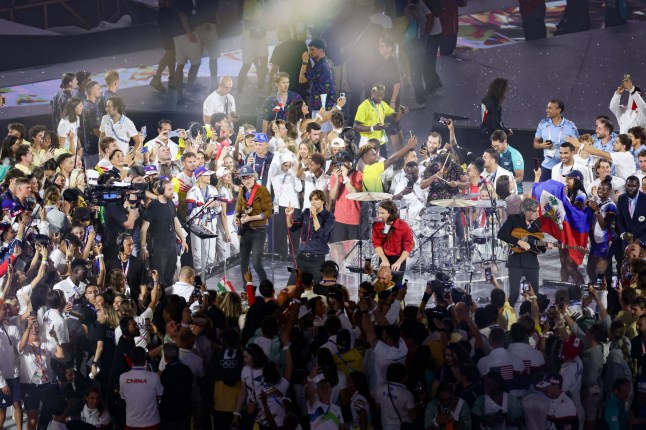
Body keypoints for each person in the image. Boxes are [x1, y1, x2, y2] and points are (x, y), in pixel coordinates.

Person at [497, 198, 553, 306]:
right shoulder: (513, 219)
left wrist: (546, 246)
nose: (538, 214)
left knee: (534, 295)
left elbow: (537, 245)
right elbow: (501, 234)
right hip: (515, 262)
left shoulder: (537, 223)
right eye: (535, 211)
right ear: (527, 211)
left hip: (531, 262)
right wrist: (518, 242)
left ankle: (531, 318)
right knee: (514, 294)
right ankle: (508, 316)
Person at [140, 179, 189, 287]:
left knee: (170, 274)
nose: (172, 192)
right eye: (169, 189)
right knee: (158, 277)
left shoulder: (171, 203)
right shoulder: (153, 205)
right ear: (161, 190)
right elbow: (144, 228)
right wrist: (143, 247)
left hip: (170, 245)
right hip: (158, 246)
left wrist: (183, 239)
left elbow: (175, 221)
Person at [286, 190, 335, 286]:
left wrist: (315, 216)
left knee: (317, 290)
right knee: (291, 286)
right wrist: (288, 216)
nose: (313, 202)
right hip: (301, 258)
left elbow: (322, 235)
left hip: (317, 260)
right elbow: (292, 227)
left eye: (316, 199)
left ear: (323, 201)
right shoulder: (306, 212)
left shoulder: (329, 217)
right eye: (311, 200)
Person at [235, 164, 272, 282]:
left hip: (258, 231)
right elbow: (239, 207)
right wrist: (236, 217)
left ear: (254, 177)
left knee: (256, 262)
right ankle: (247, 290)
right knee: (243, 262)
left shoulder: (262, 190)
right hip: (245, 230)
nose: (247, 181)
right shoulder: (242, 190)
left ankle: (266, 286)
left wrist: (251, 218)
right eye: (244, 178)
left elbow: (268, 212)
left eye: (249, 177)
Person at [353, 84, 409, 156]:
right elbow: (355, 126)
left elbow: (395, 118)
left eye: (382, 95)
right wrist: (373, 128)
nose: (380, 97)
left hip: (381, 142)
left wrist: (401, 112)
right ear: (371, 93)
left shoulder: (382, 104)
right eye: (377, 95)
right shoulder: (364, 106)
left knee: (382, 166)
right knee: (370, 166)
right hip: (368, 143)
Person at [533, 99, 579, 181]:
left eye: (550, 108)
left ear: (558, 110)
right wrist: (541, 145)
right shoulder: (542, 124)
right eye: (547, 108)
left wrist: (569, 158)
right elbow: (535, 143)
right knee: (542, 192)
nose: (547, 110)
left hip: (564, 168)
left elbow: (577, 146)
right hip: (547, 167)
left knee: (562, 193)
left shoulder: (571, 126)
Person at [186, 166, 220, 273]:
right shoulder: (192, 192)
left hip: (211, 223)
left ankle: (210, 279)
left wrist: (215, 205)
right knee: (198, 256)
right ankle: (199, 279)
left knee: (210, 254)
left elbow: (218, 209)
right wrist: (206, 206)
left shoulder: (213, 189)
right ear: (200, 176)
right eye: (206, 175)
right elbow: (189, 214)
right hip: (197, 225)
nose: (209, 176)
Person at [119, 346, 164, 429]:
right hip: (152, 423)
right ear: (145, 359)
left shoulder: (123, 377)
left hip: (132, 423)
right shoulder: (154, 377)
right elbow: (160, 393)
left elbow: (123, 397)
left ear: (131, 359)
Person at [371, 200, 414, 285]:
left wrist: (399, 262)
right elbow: (376, 243)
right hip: (384, 257)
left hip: (398, 258)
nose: (379, 216)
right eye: (379, 213)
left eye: (382, 213)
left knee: (397, 286)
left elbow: (408, 247)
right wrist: (383, 258)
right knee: (382, 285)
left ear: (390, 213)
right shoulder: (377, 225)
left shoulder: (403, 226)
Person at [299, 38, 337, 133]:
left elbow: (302, 79)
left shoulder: (320, 65)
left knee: (321, 135)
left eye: (312, 49)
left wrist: (304, 61)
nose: (310, 52)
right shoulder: (329, 62)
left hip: (321, 107)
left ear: (320, 50)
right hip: (329, 104)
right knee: (325, 134)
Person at [617, 176, 646, 249]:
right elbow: (619, 219)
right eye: (629, 185)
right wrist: (623, 234)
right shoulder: (621, 198)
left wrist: (641, 240)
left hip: (643, 244)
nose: (631, 188)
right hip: (626, 243)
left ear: (638, 186)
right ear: (625, 185)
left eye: (634, 186)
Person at [481, 78, 512, 146]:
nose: (505, 93)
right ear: (500, 90)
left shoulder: (485, 100)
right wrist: (506, 132)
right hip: (493, 138)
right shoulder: (494, 103)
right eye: (505, 90)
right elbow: (495, 123)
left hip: (485, 135)